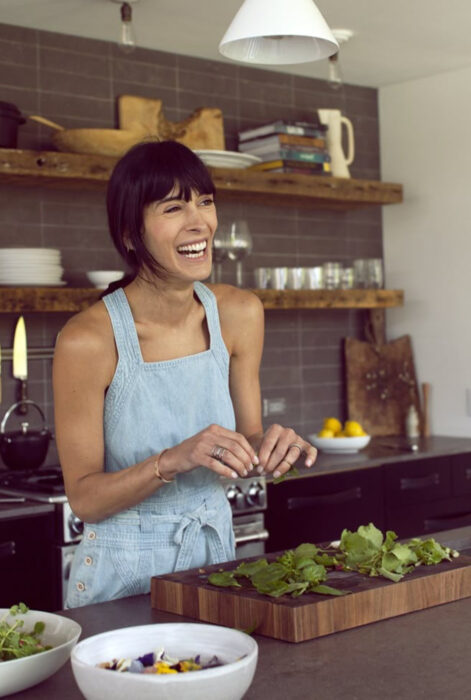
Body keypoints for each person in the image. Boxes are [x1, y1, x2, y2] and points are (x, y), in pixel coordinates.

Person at [53, 139, 317, 608]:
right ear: (131, 234)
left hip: (214, 562)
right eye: (174, 207)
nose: (200, 222)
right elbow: (85, 500)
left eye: (206, 201)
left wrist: (273, 448)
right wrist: (174, 459)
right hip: (122, 578)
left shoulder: (240, 313)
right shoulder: (89, 339)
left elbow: (246, 444)